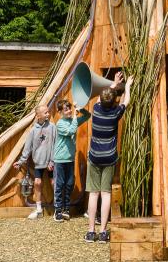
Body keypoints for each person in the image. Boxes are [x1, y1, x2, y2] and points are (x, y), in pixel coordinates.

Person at [83, 71, 131, 243]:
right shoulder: (115, 114)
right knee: (106, 194)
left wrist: (114, 84)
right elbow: (126, 101)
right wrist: (128, 85)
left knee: (93, 194)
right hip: (109, 158)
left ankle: (90, 232)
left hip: (94, 158)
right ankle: (103, 232)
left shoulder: (96, 110)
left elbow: (99, 99)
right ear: (113, 102)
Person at [16, 104, 57, 219]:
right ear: (38, 115)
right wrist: (20, 161)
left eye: (48, 112)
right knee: (37, 183)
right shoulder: (33, 130)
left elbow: (55, 144)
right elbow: (27, 148)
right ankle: (38, 208)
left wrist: (52, 161)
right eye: (45, 113)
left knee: (54, 183)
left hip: (50, 162)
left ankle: (57, 207)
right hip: (39, 162)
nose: (48, 114)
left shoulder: (52, 127)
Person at [52, 99, 82, 222]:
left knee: (69, 184)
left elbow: (87, 116)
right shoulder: (60, 124)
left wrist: (79, 108)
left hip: (70, 159)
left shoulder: (72, 120)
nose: (69, 111)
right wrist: (75, 116)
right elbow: (71, 131)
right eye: (66, 109)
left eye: (69, 108)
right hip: (60, 159)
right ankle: (58, 210)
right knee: (60, 184)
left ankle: (66, 209)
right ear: (60, 112)